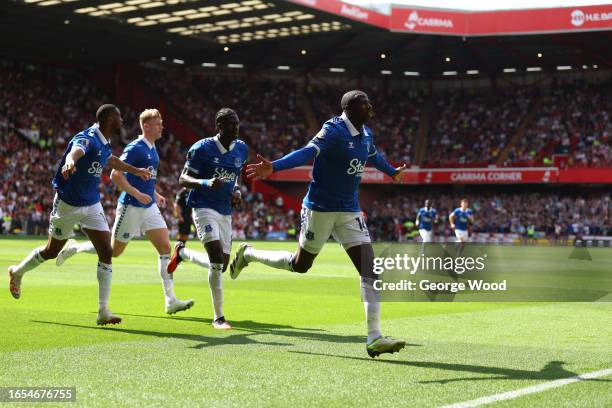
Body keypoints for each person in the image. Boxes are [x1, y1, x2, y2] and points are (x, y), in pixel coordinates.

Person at [230, 90, 407, 358]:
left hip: (349, 211)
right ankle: (249, 253)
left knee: (370, 269)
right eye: (364, 103)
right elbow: (307, 152)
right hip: (319, 209)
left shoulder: (366, 133)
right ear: (349, 108)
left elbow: (372, 155)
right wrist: (274, 167)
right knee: (300, 265)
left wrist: (392, 172)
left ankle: (374, 337)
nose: (370, 107)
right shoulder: (333, 130)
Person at [8, 104, 150, 325]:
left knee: (106, 251)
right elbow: (77, 150)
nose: (122, 121)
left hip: (92, 203)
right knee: (51, 251)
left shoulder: (104, 141)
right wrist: (70, 161)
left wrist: (135, 170)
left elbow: (109, 160)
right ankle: (17, 271)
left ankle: (103, 310)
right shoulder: (88, 137)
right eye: (118, 117)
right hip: (68, 203)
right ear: (108, 119)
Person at [55, 109, 194, 315]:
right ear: (146, 126)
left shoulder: (152, 148)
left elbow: (144, 178)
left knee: (165, 248)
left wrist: (154, 194)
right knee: (113, 252)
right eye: (158, 124)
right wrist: (138, 194)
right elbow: (115, 174)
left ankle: (170, 300)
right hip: (131, 206)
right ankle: (75, 248)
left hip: (149, 207)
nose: (162, 127)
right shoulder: (136, 148)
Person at [167, 108, 247, 330]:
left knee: (220, 265)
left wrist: (237, 192)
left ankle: (182, 253)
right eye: (232, 124)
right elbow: (183, 178)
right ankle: (218, 317)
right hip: (203, 207)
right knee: (216, 260)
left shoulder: (242, 149)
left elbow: (236, 176)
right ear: (219, 126)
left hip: (225, 211)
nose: (236, 128)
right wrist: (204, 182)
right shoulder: (202, 148)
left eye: (237, 123)